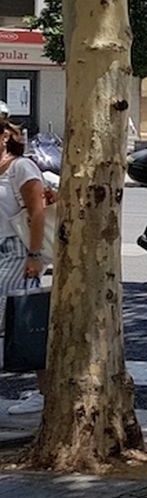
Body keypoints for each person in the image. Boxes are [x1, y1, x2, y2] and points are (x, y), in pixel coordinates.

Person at [1, 122, 49, 416]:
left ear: (4, 134)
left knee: (24, 322)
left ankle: (46, 393)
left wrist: (34, 254)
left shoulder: (21, 168)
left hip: (16, 253)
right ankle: (45, 392)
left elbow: (38, 211)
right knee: (24, 324)